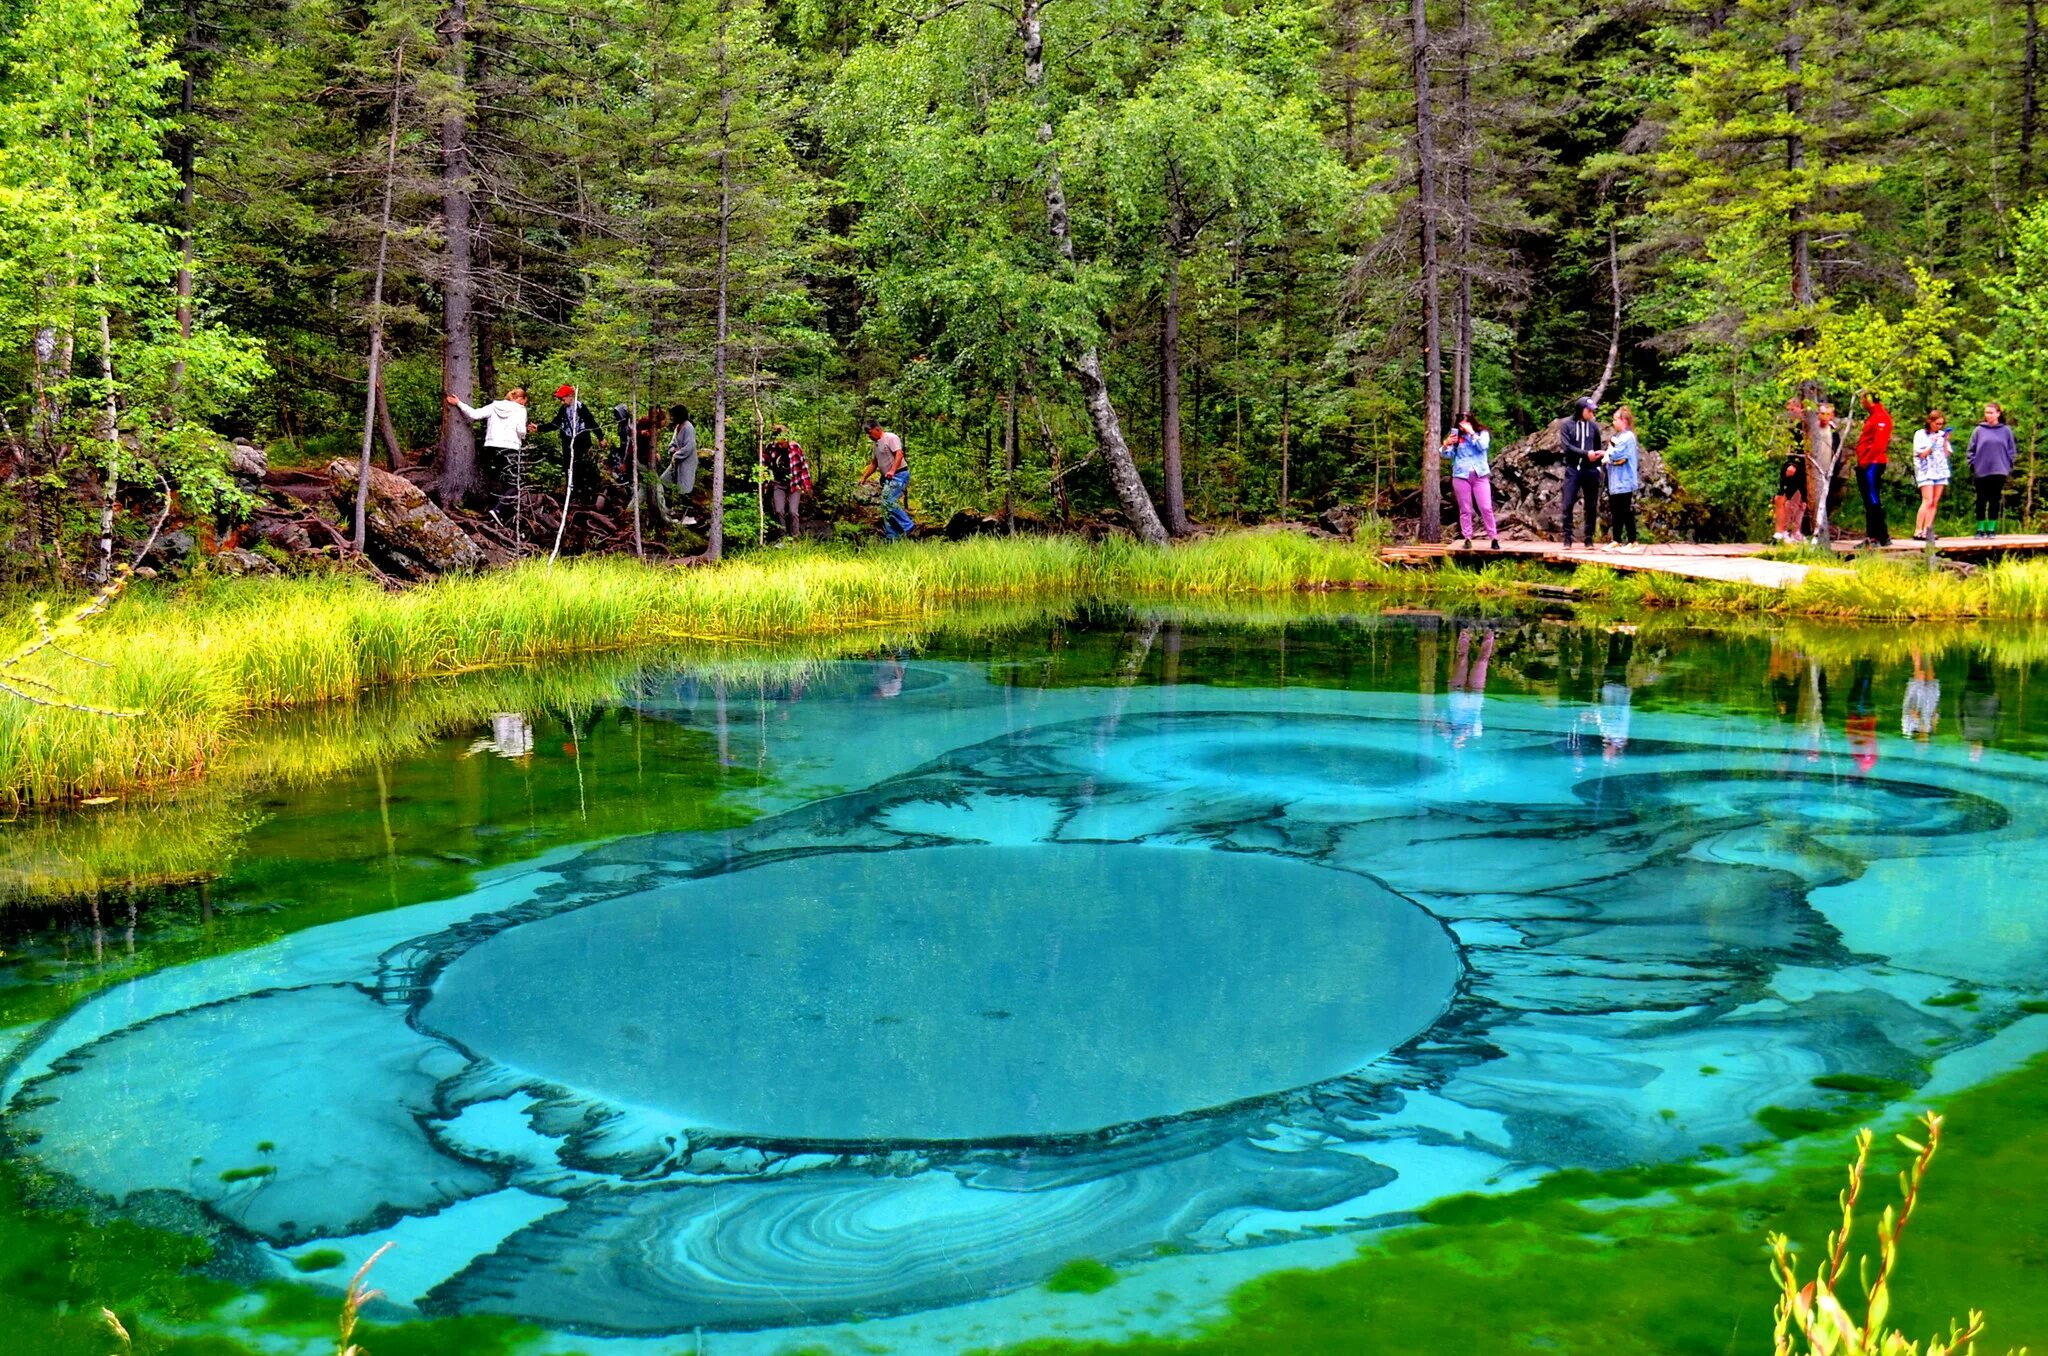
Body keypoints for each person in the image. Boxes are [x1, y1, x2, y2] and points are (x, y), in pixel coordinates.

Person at [445, 387, 536, 512]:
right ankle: (498, 511)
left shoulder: (495, 406)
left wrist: (459, 403)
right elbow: (520, 430)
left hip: (492, 446)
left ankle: (495, 510)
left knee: (499, 479)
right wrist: (527, 431)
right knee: (513, 484)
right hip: (510, 448)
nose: (524, 404)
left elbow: (474, 414)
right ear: (521, 399)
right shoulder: (520, 410)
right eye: (525, 402)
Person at [1442, 413, 1499, 550]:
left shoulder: (1482, 433)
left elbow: (1483, 446)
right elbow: (1446, 455)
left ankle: (1494, 537)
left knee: (1486, 507)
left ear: (1471, 422)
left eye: (1465, 423)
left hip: (1480, 475)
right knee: (1465, 509)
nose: (1463, 426)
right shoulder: (1457, 438)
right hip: (1461, 475)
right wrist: (1446, 444)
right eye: (1461, 424)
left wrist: (1472, 433)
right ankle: (1467, 537)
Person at [1966, 401, 2018, 538]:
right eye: (1986, 412)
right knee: (1981, 500)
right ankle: (1980, 529)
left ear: (1998, 414)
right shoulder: (1979, 430)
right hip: (1981, 469)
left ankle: (1991, 529)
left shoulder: (2006, 430)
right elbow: (1971, 449)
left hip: (1999, 469)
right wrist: (1972, 464)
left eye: (1991, 413)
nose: (1988, 415)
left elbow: (2012, 450)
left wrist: (2008, 464)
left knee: (1994, 499)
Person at [1559, 396, 1605, 548]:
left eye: (1593, 411)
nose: (1592, 413)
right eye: (1589, 410)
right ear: (1581, 409)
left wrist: (1597, 464)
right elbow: (1567, 447)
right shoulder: (1567, 425)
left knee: (1591, 505)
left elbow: (1597, 445)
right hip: (1573, 469)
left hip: (1590, 470)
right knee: (1568, 503)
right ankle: (1567, 537)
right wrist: (1586, 453)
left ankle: (1589, 538)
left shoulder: (1593, 427)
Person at [861, 421, 914, 540]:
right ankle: (892, 535)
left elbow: (899, 454)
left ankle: (908, 526)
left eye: (870, 433)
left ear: (877, 429)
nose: (869, 436)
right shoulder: (876, 445)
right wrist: (864, 477)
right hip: (888, 477)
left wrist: (892, 470)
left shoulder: (890, 438)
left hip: (899, 474)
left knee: (888, 501)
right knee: (885, 505)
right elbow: (874, 464)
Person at [1853, 391, 1893, 546]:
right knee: (1870, 500)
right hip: (1868, 463)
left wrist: (1865, 461)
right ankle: (1881, 536)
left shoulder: (1881, 418)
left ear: (1868, 400)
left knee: (1872, 499)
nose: (1861, 402)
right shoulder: (1874, 416)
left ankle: (1876, 537)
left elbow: (1879, 444)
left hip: (1872, 464)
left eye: (1863, 399)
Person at [763, 423, 814, 541]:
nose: (779, 444)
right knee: (779, 510)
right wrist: (765, 482)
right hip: (778, 483)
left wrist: (806, 485)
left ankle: (795, 537)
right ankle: (782, 538)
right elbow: (764, 464)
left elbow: (803, 466)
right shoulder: (771, 447)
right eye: (777, 441)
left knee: (793, 512)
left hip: (794, 484)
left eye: (781, 441)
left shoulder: (795, 447)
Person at [1911, 409, 1953, 542]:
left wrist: (1945, 440)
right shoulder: (1920, 434)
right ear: (1930, 422)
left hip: (1940, 470)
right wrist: (1933, 443)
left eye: (1941, 424)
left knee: (1934, 502)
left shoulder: (1941, 435)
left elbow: (1947, 453)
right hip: (1925, 471)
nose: (1939, 427)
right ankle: (1918, 530)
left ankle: (1928, 529)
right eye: (1937, 424)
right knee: (1927, 500)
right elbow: (1922, 454)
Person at [1605, 406, 1642, 550]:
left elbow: (1617, 454)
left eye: (1615, 419)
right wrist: (1607, 452)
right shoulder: (1620, 436)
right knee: (1616, 510)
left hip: (1624, 479)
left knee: (1625, 509)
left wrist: (1608, 453)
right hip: (1615, 480)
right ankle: (1617, 539)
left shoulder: (1628, 437)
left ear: (1624, 420)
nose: (1613, 422)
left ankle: (1633, 541)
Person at [1774, 398, 1808, 544]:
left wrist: (1795, 464)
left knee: (1799, 500)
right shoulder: (1791, 426)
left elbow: (1802, 447)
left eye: (1792, 409)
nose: (1790, 412)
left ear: (1800, 408)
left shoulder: (1805, 426)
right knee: (1782, 498)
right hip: (1790, 462)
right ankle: (1781, 531)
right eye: (1788, 410)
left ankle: (1795, 531)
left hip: (1800, 464)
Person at [1902, 650, 1940, 741]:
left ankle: (1915, 645)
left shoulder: (1909, 730)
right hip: (1929, 699)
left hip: (1916, 698)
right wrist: (1934, 718)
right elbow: (1935, 714)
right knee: (1929, 670)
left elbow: (1907, 714)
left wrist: (1915, 716)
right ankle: (1927, 648)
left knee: (1919, 670)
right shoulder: (1930, 729)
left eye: (1921, 742)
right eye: (1925, 742)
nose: (1923, 739)